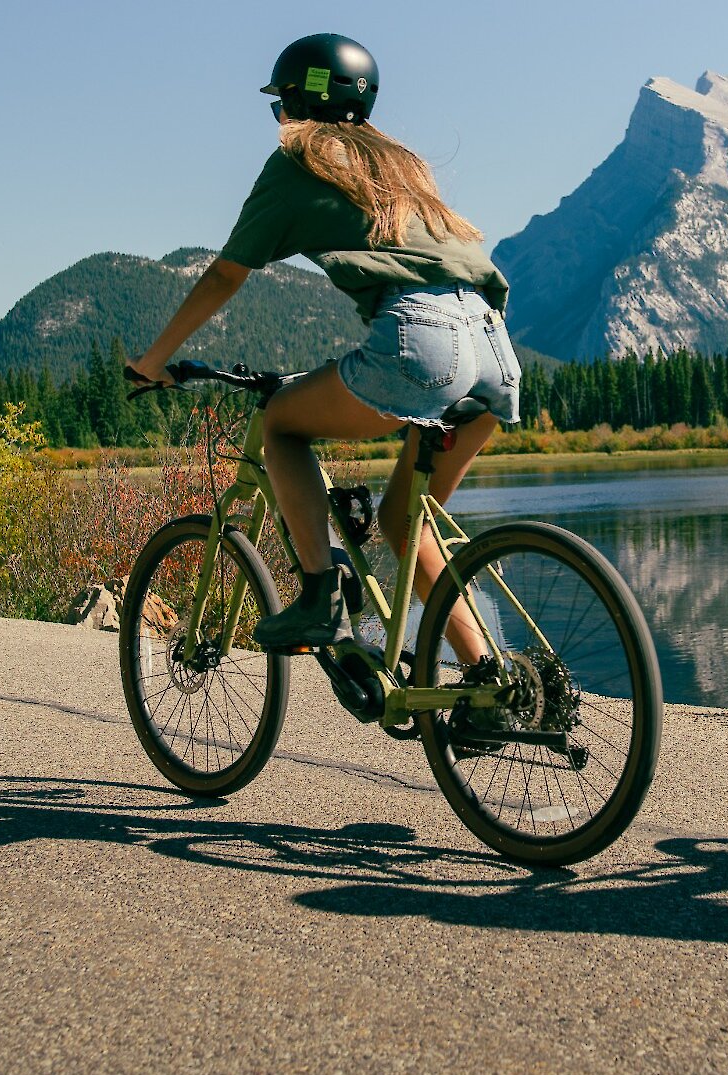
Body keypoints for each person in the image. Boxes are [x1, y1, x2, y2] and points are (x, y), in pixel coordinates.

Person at [127, 33, 519, 663]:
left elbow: (226, 273)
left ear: (296, 102)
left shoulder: (300, 159)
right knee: (404, 524)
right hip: (492, 345)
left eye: (281, 103)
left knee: (281, 422)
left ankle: (320, 595)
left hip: (424, 342)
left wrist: (151, 361)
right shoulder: (400, 164)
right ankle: (492, 681)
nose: (280, 118)